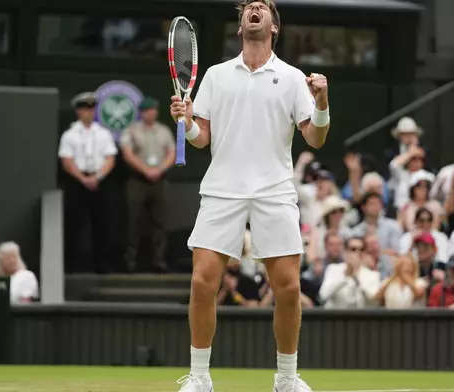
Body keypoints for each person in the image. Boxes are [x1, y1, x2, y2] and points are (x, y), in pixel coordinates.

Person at [169, 1, 330, 390]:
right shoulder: (215, 75)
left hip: (274, 190)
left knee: (289, 288)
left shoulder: (293, 78)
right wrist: (187, 123)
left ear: (274, 25)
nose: (255, 8)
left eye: (264, 6)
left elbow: (316, 137)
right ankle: (200, 378)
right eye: (249, 6)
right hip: (223, 189)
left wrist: (322, 102)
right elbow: (202, 138)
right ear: (241, 26)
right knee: (203, 282)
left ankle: (287, 380)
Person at [58, 92, 117, 273]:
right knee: (73, 223)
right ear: (78, 111)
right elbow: (67, 160)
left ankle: (102, 264)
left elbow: (110, 158)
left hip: (100, 181)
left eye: (92, 109)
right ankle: (71, 264)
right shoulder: (70, 134)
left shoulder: (104, 133)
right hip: (77, 182)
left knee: (103, 224)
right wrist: (83, 179)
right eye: (85, 109)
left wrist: (97, 177)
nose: (89, 113)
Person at [120, 97, 175, 273]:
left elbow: (171, 152)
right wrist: (145, 170)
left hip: (159, 180)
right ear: (142, 112)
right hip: (138, 180)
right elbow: (127, 153)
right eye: (148, 110)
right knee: (133, 220)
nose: (151, 113)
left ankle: (158, 260)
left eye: (154, 110)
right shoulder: (132, 131)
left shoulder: (163, 131)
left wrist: (160, 169)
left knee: (160, 221)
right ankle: (131, 260)